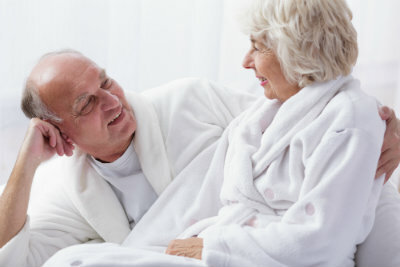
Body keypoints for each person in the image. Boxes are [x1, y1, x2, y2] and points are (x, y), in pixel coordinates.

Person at [1, 23, 400, 267]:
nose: (111, 101)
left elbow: (306, 116)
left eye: (105, 82)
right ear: (62, 133)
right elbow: (15, 258)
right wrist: (25, 166)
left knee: (376, 189)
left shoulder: (191, 101)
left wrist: (378, 126)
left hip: (261, 243)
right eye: (86, 103)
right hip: (199, 256)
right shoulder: (71, 190)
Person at [160, 0, 400, 266]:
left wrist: (211, 247)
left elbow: (320, 240)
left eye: (258, 47)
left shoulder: (350, 121)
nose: (245, 61)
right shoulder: (261, 115)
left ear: (299, 51)